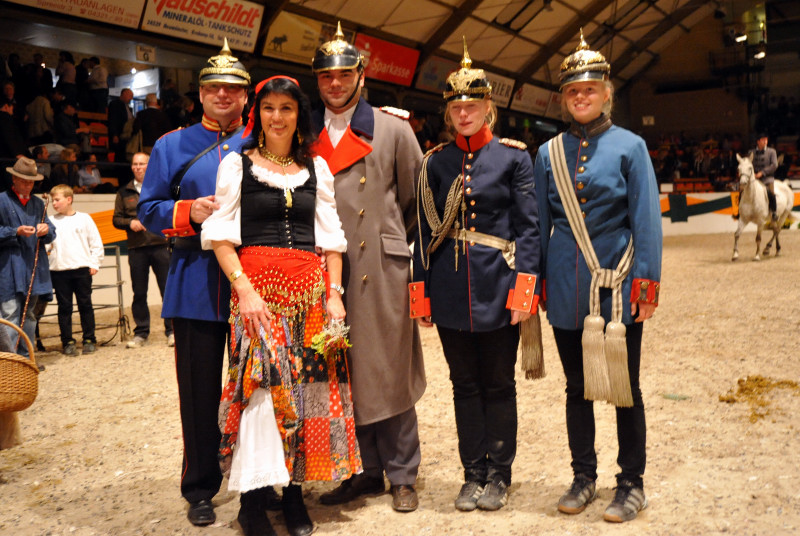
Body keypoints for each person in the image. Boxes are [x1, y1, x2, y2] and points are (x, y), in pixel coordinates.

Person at [202, 74, 362, 536]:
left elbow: (332, 241)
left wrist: (335, 295)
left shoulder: (317, 170)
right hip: (258, 299)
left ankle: (293, 497)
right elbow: (219, 237)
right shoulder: (238, 165)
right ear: (258, 113)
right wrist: (245, 291)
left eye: (286, 109)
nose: (277, 117)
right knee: (260, 394)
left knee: (309, 397)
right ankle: (253, 502)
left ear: (299, 116)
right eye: (269, 108)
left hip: (311, 297)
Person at [532, 34, 662, 523]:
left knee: (625, 386)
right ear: (564, 98)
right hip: (566, 285)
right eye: (572, 91)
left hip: (618, 286)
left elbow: (646, 219)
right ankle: (583, 476)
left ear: (607, 91)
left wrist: (646, 287)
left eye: (590, 88)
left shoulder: (631, 146)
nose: (581, 97)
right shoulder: (548, 154)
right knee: (575, 387)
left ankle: (631, 482)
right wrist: (542, 282)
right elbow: (542, 225)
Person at [411, 39, 541, 512]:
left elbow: (528, 230)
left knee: (498, 384)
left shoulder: (513, 158)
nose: (464, 113)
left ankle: (500, 473)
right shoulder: (435, 163)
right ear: (448, 112)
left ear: (489, 107)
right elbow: (424, 234)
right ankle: (473, 472)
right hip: (448, 294)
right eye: (456, 105)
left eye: (473, 104)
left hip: (499, 288)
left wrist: (525, 292)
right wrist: (420, 297)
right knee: (463, 385)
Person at [311, 23, 426, 513]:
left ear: (361, 74)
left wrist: (396, 250)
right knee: (344, 367)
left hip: (380, 265)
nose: (335, 84)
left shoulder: (394, 129)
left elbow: (415, 199)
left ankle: (402, 473)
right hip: (326, 270)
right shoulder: (304, 133)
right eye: (325, 77)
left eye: (343, 74)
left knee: (387, 366)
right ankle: (364, 470)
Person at [137, 39, 251, 528]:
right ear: (199, 94)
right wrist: (187, 211)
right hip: (196, 281)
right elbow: (147, 210)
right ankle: (200, 485)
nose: (223, 95)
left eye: (233, 89)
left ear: (245, 96)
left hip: (254, 282)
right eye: (214, 88)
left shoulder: (262, 141)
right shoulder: (170, 145)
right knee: (199, 391)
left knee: (260, 390)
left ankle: (257, 481)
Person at [113, 152, 172, 349]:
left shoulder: (161, 188)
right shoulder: (124, 192)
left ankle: (172, 331)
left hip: (160, 246)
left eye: (142, 164)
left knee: (167, 290)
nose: (138, 167)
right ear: (131, 167)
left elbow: (170, 211)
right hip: (137, 248)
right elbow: (116, 219)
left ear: (150, 166)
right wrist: (131, 223)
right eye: (135, 164)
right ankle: (141, 333)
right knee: (139, 292)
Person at [0, 156, 55, 362]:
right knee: (10, 315)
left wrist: (46, 229)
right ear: (13, 179)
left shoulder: (38, 204)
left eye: (31, 181)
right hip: (8, 268)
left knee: (29, 314)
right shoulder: (1, 201)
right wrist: (15, 231)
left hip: (32, 268)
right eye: (23, 180)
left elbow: (51, 231)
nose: (27, 184)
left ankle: (26, 359)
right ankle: (9, 362)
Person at [47, 184, 103, 355]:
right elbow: (46, 245)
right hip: (59, 270)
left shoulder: (84, 218)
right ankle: (67, 341)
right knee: (64, 307)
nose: (54, 203)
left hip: (81, 270)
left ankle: (89, 338)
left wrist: (94, 263)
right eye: (52, 200)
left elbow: (95, 242)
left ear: (69, 199)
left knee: (85, 304)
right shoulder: (50, 220)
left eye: (57, 200)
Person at [751, 133, 778, 222]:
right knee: (743, 190)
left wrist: (762, 173)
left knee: (771, 193)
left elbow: (774, 165)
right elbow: (748, 164)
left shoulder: (772, 151)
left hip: (767, 178)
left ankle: (774, 212)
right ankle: (739, 213)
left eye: (766, 139)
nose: (765, 141)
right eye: (763, 140)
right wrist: (752, 173)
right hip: (754, 178)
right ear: (758, 141)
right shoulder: (751, 152)